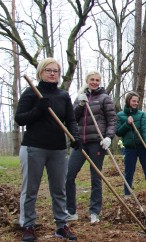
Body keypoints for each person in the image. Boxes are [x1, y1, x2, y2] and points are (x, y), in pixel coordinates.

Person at [15, 57, 78, 241]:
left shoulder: (63, 95)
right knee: (30, 189)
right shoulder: (32, 92)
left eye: (56, 71)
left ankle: (61, 225)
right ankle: (27, 225)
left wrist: (75, 138)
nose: (52, 73)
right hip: (34, 147)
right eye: (48, 70)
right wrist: (38, 110)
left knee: (59, 189)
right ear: (41, 72)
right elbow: (20, 118)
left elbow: (71, 120)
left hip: (57, 149)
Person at [65, 71, 117, 224]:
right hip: (80, 142)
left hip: (97, 142)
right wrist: (80, 105)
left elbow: (112, 119)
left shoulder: (104, 98)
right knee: (69, 175)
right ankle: (71, 211)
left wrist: (108, 137)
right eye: (92, 80)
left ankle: (94, 211)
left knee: (96, 177)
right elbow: (72, 118)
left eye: (97, 80)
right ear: (87, 81)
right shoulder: (80, 97)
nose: (94, 82)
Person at [116, 92, 146, 194]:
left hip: (143, 147)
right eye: (134, 101)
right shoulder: (120, 115)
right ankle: (127, 194)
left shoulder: (141, 114)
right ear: (128, 101)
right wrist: (127, 124)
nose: (136, 103)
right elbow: (118, 132)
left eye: (137, 101)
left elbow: (145, 131)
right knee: (129, 172)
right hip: (129, 148)